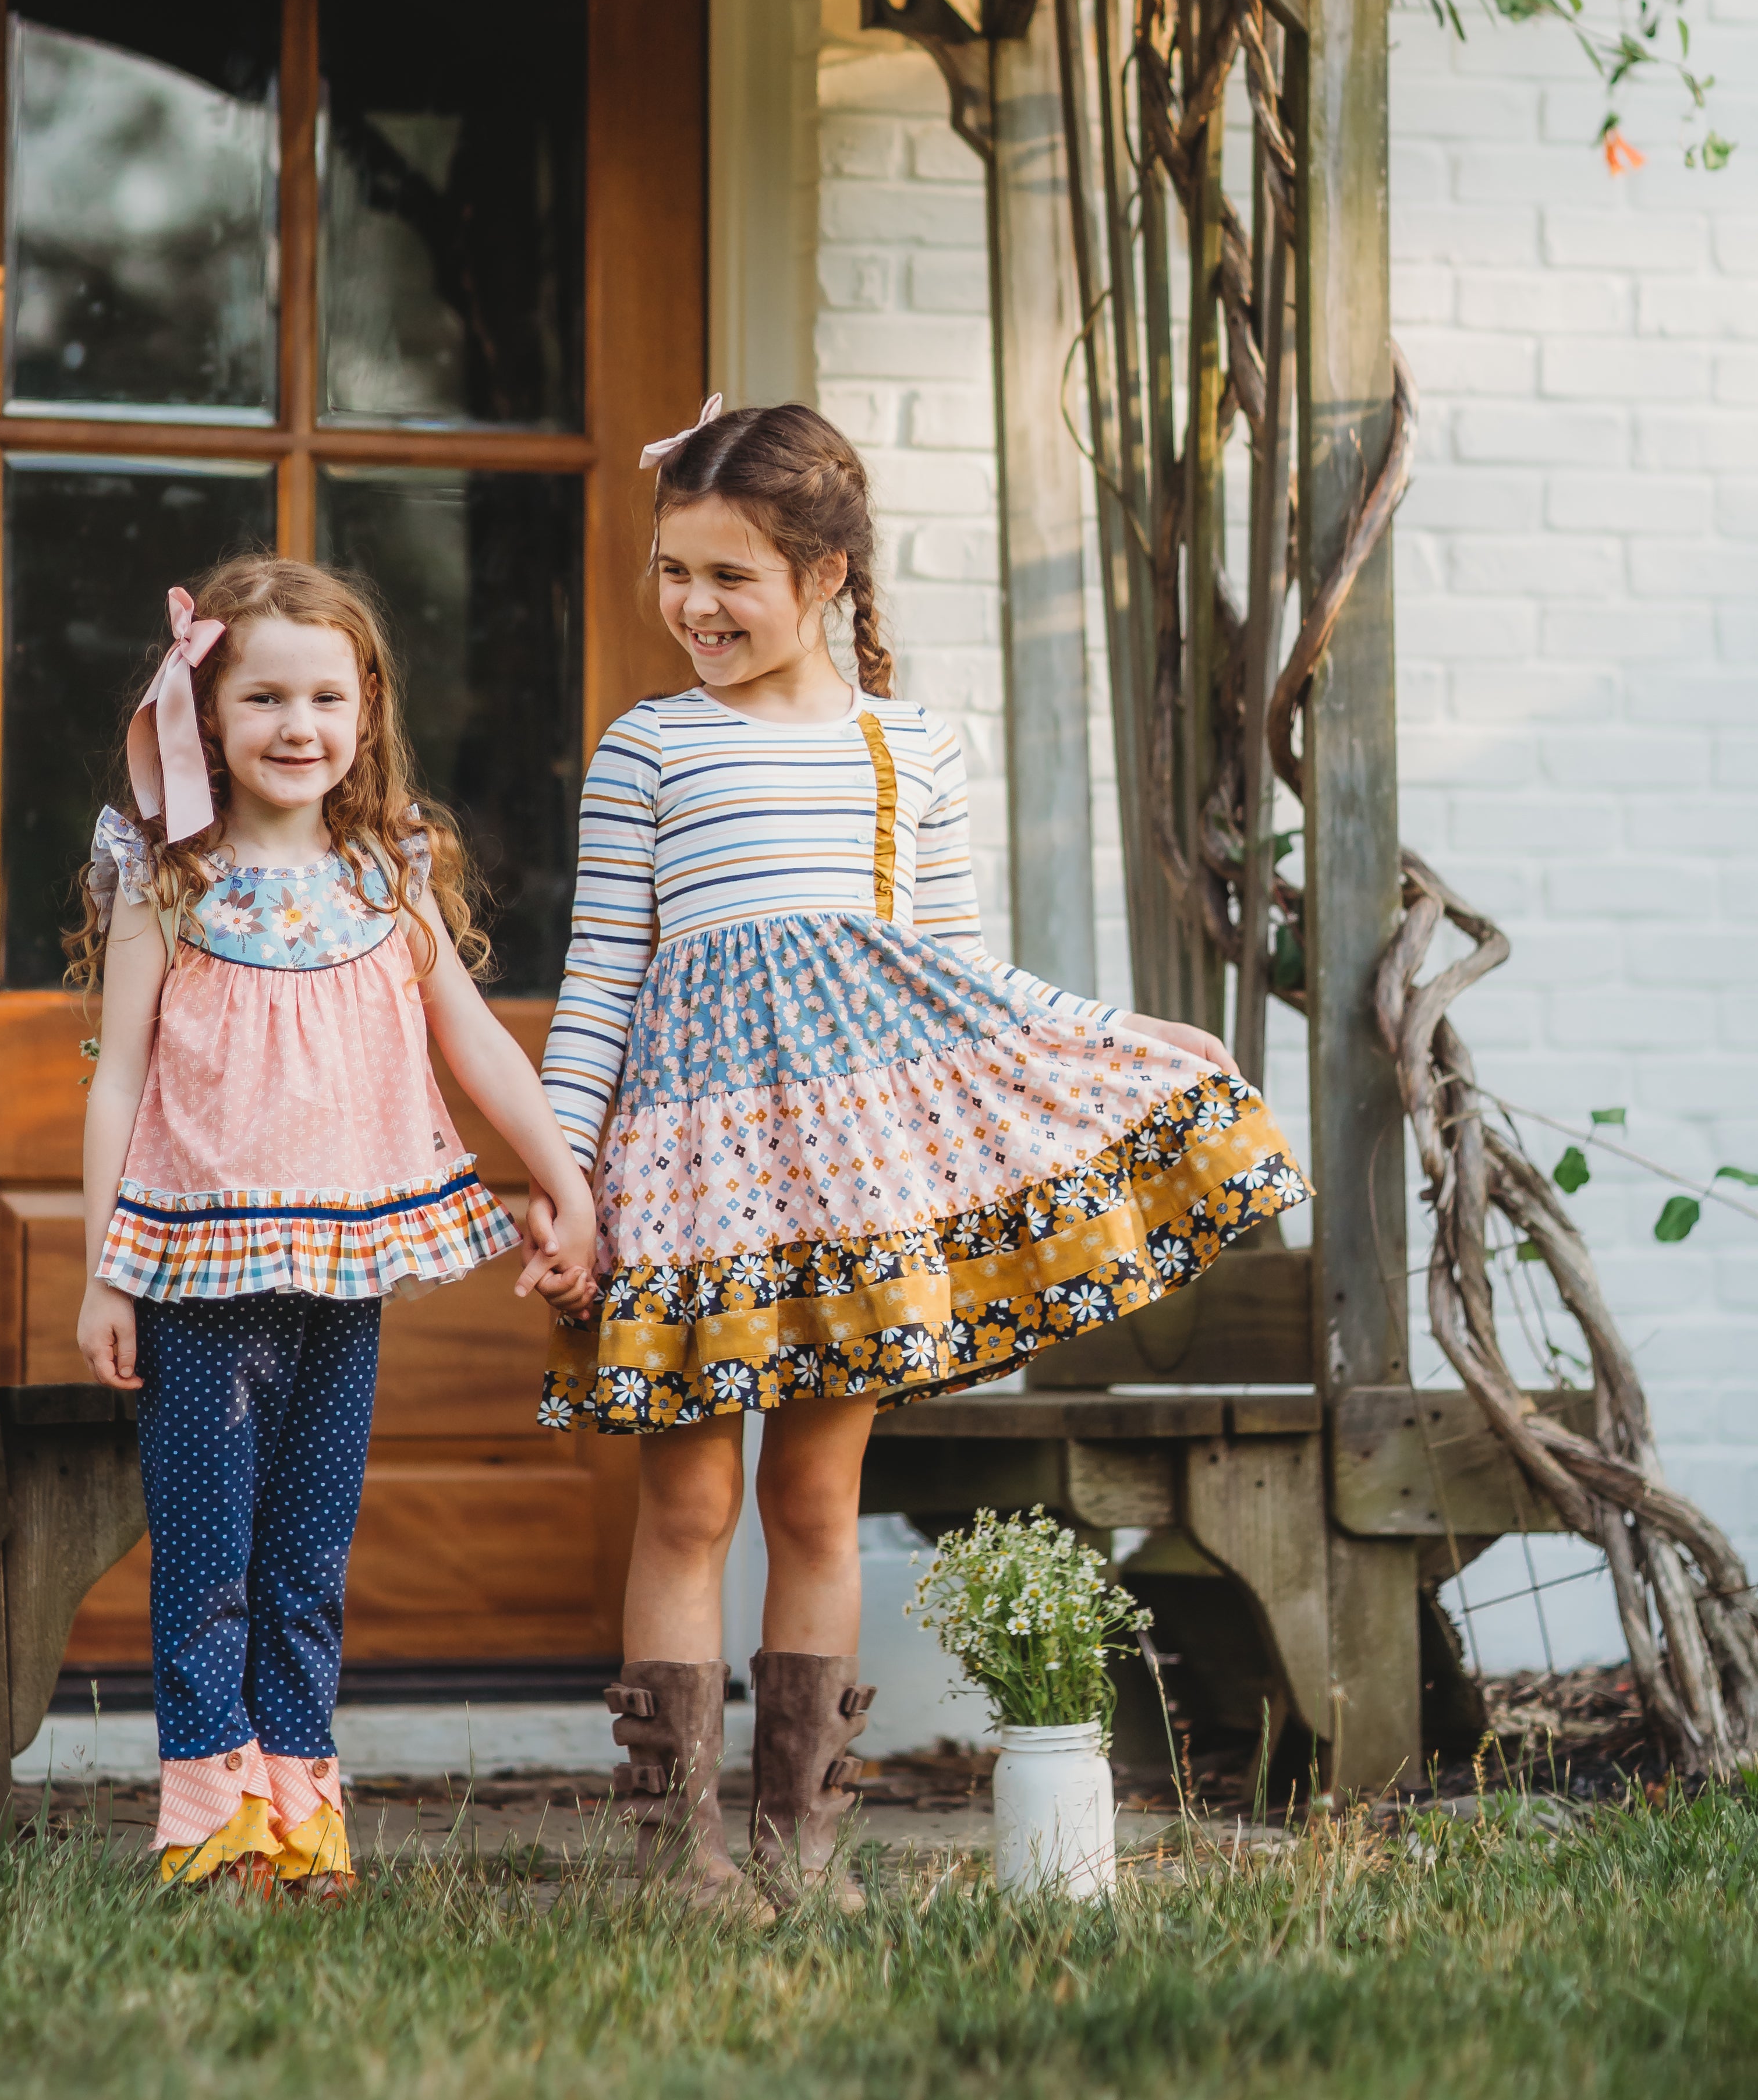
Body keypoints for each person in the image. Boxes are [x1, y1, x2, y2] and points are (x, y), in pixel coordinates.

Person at [535, 402, 1308, 1912]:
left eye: (729, 576)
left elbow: (958, 986)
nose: (691, 604)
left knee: (817, 1507)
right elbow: (596, 987)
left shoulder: (910, 755)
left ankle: (799, 1847)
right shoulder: (647, 752)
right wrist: (564, 1183)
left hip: (854, 1193)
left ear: (825, 575)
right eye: (670, 568)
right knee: (685, 1506)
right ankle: (671, 1852)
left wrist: (1131, 1042)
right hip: (684, 1193)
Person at [70, 555, 597, 1894]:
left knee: (308, 1555)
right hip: (195, 1270)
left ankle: (303, 1818)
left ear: (366, 705)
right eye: (262, 696)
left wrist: (565, 1180)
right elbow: (120, 1075)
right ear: (206, 711)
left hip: (340, 1273)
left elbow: (471, 1036)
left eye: (326, 692)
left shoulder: (385, 867)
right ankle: (207, 1821)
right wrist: (104, 1272)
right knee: (206, 1558)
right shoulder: (168, 875)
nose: (297, 724)